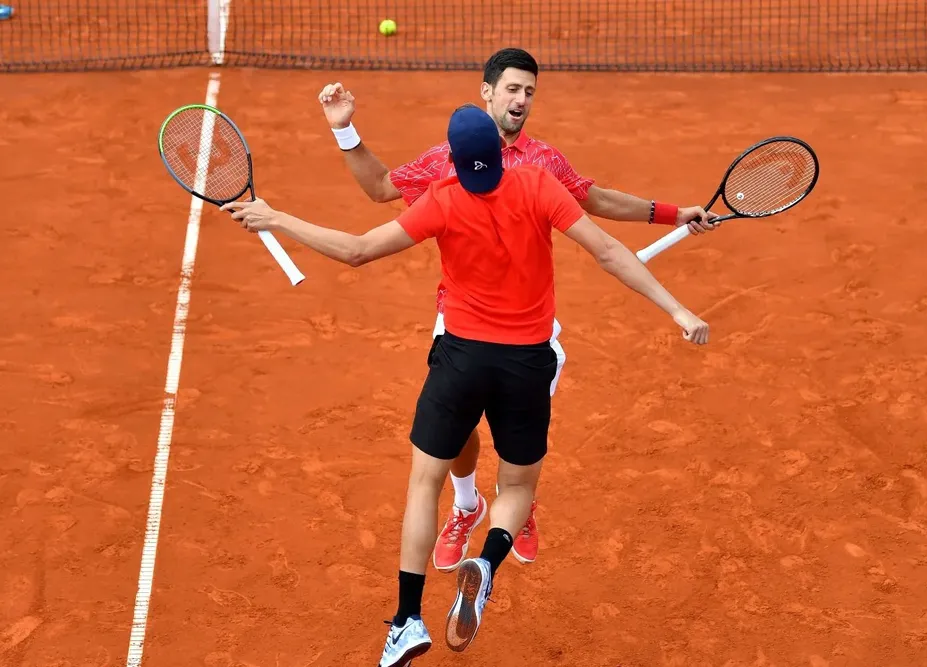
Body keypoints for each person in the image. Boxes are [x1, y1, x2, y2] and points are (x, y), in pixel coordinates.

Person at [222, 103, 709, 667]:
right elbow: (607, 251)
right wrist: (677, 310)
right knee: (519, 489)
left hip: (459, 360)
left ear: (453, 157)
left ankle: (406, 620)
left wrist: (276, 218)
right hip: (527, 363)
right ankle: (490, 559)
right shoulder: (538, 184)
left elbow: (355, 250)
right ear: (501, 153)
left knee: (425, 483)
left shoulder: (443, 197)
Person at [318, 47, 719, 571]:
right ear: (487, 91)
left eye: (529, 91)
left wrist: (669, 214)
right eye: (512, 88)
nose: (521, 100)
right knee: (458, 435)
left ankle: (516, 505)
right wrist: (345, 130)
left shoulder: (543, 163)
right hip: (460, 323)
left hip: (529, 332)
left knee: (517, 451)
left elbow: (593, 199)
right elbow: (379, 188)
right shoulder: (449, 158)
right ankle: (468, 505)